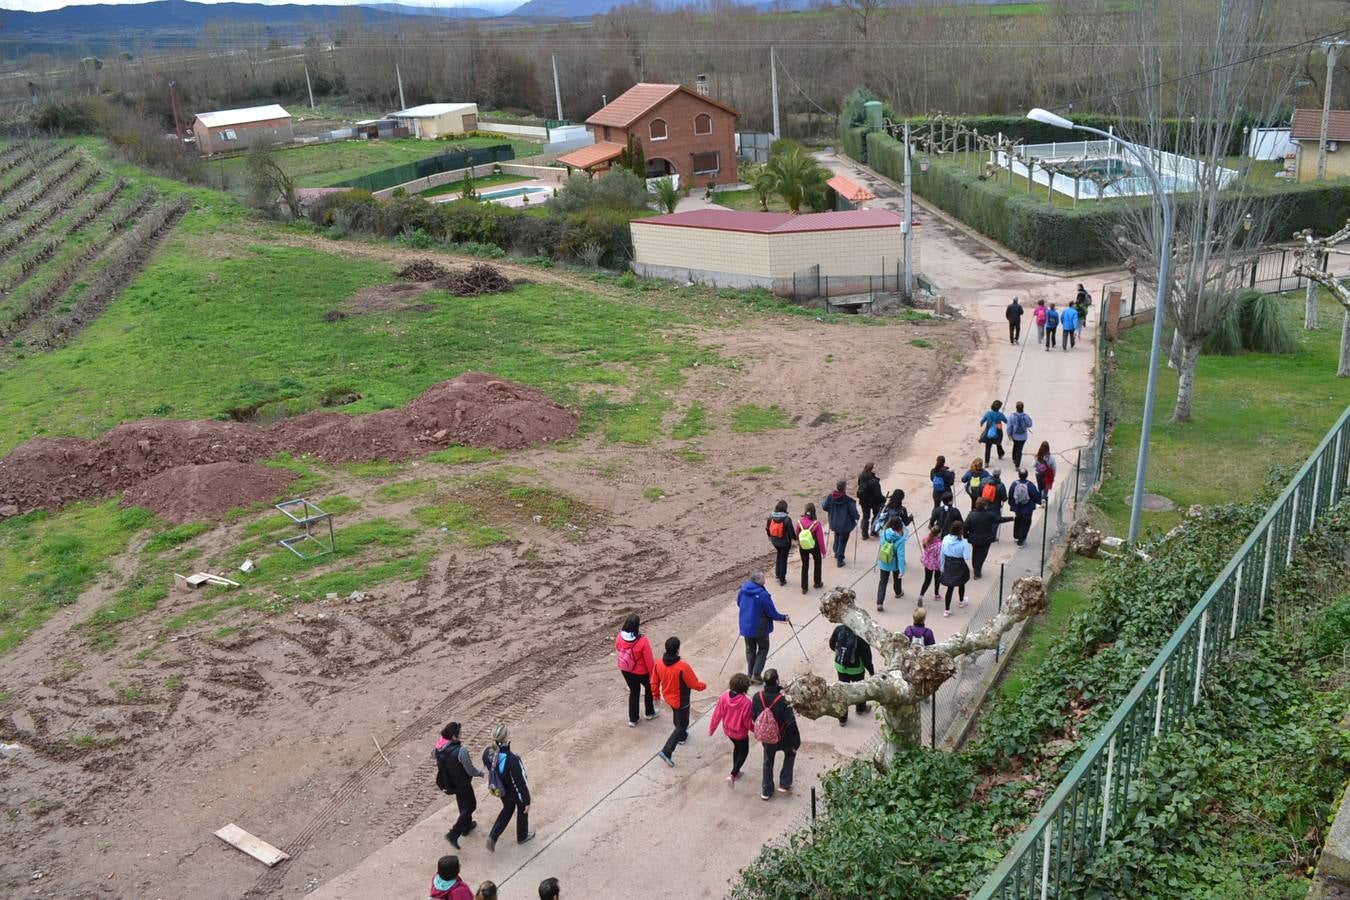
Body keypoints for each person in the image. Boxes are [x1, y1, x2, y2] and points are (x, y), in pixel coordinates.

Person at [652, 636, 706, 766]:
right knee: (683, 724)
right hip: (681, 700)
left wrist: (656, 695)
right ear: (677, 650)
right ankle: (667, 751)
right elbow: (694, 683)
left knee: (678, 718)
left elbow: (654, 681)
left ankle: (682, 736)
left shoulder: (658, 663)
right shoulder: (682, 666)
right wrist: (702, 686)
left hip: (668, 698)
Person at [751, 669, 800, 801]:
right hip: (783, 737)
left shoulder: (757, 697)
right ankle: (784, 783)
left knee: (768, 760)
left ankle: (766, 790)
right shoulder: (783, 700)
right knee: (790, 754)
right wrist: (796, 741)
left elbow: (754, 716)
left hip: (767, 738)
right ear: (777, 680)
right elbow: (790, 722)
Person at [483, 724, 534, 852]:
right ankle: (522, 836)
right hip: (514, 792)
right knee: (523, 811)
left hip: (502, 790)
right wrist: (526, 800)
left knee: (507, 810)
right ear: (505, 737)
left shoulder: (486, 754)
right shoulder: (512, 759)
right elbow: (521, 782)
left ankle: (493, 836)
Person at [435, 722, 484, 850]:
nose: (462, 735)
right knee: (471, 805)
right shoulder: (461, 751)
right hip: (463, 782)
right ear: (454, 737)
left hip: (450, 782)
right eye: (460, 733)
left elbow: (434, 757)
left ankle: (466, 826)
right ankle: (454, 833)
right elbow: (470, 769)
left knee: (462, 804)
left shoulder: (439, 747)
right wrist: (480, 773)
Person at [737, 571, 790, 683]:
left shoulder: (743, 590)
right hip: (760, 628)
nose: (765, 579)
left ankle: (750, 673)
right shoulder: (762, 594)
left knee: (750, 649)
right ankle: (756, 674)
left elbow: (739, 603)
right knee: (763, 648)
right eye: (763, 578)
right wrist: (783, 618)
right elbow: (771, 613)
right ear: (758, 580)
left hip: (746, 626)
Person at [708, 672, 753, 784]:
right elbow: (747, 722)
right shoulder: (746, 702)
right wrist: (755, 730)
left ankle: (736, 772)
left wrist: (712, 729)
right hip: (740, 733)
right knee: (744, 751)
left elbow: (717, 714)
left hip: (728, 730)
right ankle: (733, 774)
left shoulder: (724, 696)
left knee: (737, 748)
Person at [615, 613, 657, 727]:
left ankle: (633, 719)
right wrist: (653, 674)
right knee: (649, 689)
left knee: (634, 692)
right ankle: (649, 713)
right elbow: (649, 660)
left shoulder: (619, 636)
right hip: (641, 672)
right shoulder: (642, 640)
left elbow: (618, 647)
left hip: (626, 670)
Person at [828, 624, 874, 725]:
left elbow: (832, 644)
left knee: (843, 691)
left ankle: (842, 718)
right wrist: (871, 671)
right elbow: (867, 657)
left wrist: (842, 655)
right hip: (856, 669)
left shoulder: (839, 629)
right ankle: (860, 709)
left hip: (840, 667)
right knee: (859, 689)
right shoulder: (860, 633)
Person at [965, 499, 1013, 579]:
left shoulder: (971, 515)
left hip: (974, 538)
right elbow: (999, 519)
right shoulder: (990, 515)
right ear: (985, 506)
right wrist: (1011, 518)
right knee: (982, 556)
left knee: (975, 552)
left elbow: (965, 527)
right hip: (986, 539)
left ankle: (975, 566)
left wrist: (966, 536)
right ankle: (977, 572)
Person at [821, 479, 860, 567]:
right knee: (843, 541)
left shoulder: (830, 497)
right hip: (845, 525)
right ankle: (840, 559)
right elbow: (853, 513)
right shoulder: (848, 500)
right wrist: (857, 516)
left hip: (834, 523)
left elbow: (824, 506)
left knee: (837, 536)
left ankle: (836, 552)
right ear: (844, 488)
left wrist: (830, 509)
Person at [938, 521, 973, 617]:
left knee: (950, 587)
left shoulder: (945, 539)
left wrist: (942, 566)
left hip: (948, 564)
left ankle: (946, 610)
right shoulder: (963, 543)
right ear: (961, 531)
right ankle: (961, 601)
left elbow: (942, 554)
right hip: (959, 564)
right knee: (961, 582)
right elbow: (966, 557)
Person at [874, 518, 906, 611]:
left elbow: (881, 543)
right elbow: (901, 556)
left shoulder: (884, 533)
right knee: (897, 579)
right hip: (894, 563)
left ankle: (879, 602)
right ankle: (898, 592)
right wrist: (901, 570)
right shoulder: (901, 539)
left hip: (884, 561)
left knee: (883, 582)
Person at [765, 500, 797, 586]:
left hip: (774, 541)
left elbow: (767, 528)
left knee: (779, 555)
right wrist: (796, 538)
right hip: (784, 543)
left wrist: (769, 536)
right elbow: (791, 533)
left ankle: (777, 574)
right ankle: (782, 579)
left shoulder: (771, 516)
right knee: (783, 559)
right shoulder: (787, 519)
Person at [1009, 468, 1042, 546]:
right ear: (1027, 475)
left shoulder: (1014, 484)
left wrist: (1012, 504)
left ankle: (1016, 536)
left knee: (1018, 520)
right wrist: (1039, 502)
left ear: (1019, 475)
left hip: (1017, 507)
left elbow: (1010, 495)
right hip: (1027, 508)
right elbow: (1036, 497)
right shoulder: (1030, 485)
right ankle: (1021, 541)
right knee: (1025, 524)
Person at [797, 503, 825, 594]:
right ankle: (817, 582)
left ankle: (804, 587)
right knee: (817, 562)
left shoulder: (799, 522)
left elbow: (797, 534)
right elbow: (820, 538)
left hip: (803, 546)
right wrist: (823, 551)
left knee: (805, 565)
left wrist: (800, 543)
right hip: (814, 546)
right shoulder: (816, 523)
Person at [857, 463, 885, 540]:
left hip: (863, 501)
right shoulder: (874, 481)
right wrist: (883, 500)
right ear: (871, 469)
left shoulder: (861, 476)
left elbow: (860, 487)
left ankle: (864, 534)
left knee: (865, 517)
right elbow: (878, 494)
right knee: (876, 516)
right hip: (874, 502)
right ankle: (874, 531)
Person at [918, 522, 943, 605]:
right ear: (939, 534)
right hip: (936, 565)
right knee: (937, 579)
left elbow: (924, 545)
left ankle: (921, 595)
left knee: (927, 580)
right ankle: (936, 594)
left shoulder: (927, 539)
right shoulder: (939, 545)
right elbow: (939, 556)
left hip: (928, 563)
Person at [978, 400, 1008, 464]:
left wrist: (981, 423)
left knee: (988, 447)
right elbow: (1006, 421)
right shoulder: (1000, 415)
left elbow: (982, 420)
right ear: (999, 408)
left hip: (989, 430)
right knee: (998, 443)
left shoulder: (988, 413)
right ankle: (1000, 454)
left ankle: (986, 462)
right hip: (998, 430)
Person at [1007, 401, 1033, 469]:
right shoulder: (1025, 416)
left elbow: (1009, 426)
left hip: (1015, 435)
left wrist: (1009, 434)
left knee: (1015, 445)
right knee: (1019, 449)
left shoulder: (1012, 416)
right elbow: (1030, 424)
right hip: (1023, 436)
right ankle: (1017, 465)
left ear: (1016, 408)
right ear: (1023, 408)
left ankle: (1014, 458)